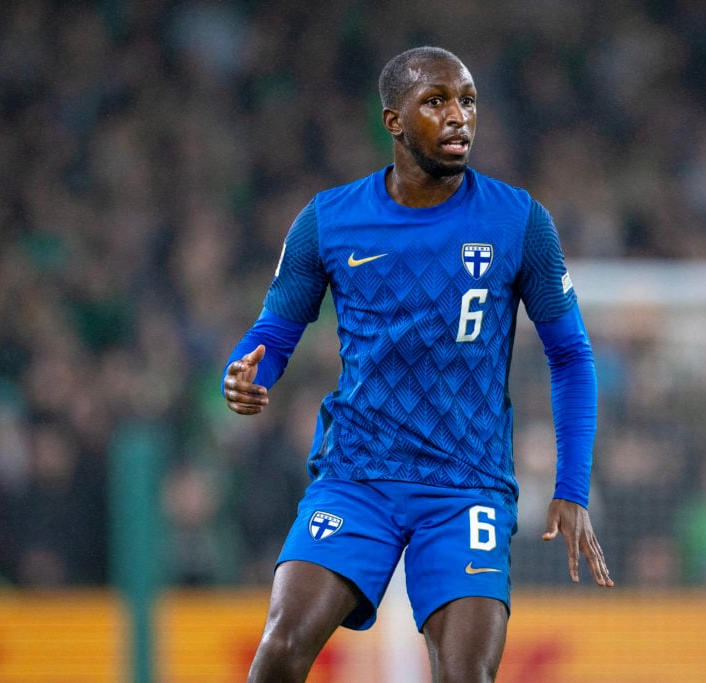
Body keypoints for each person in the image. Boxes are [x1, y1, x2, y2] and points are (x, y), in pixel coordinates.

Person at [223, 45, 612, 683]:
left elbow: (571, 355)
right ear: (394, 121)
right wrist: (244, 377)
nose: (458, 116)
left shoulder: (519, 222)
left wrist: (572, 487)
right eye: (436, 101)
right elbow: (273, 333)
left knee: (466, 678)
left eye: (467, 101)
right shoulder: (329, 221)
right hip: (357, 476)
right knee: (279, 653)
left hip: (466, 486)